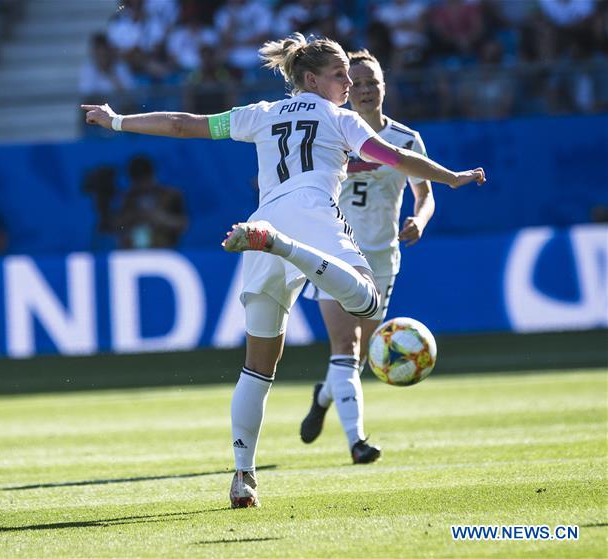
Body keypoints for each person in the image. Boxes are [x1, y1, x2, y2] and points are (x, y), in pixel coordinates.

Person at [81, 32, 485, 508]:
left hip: (261, 221)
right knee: (368, 301)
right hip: (309, 220)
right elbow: (393, 157)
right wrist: (451, 176)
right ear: (312, 79)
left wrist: (117, 119)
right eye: (340, 76)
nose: (348, 85)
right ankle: (285, 248)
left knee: (257, 368)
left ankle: (242, 475)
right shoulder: (339, 118)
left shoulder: (262, 114)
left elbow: (179, 123)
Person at [298, 49, 434, 465]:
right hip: (334, 251)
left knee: (357, 357)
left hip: (381, 259)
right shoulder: (331, 133)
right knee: (346, 342)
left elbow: (424, 193)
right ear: (346, 89)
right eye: (358, 83)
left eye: (374, 81)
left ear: (384, 86)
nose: (367, 90)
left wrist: (420, 220)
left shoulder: (405, 140)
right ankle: (357, 442)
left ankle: (323, 398)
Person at [116, 155, 188, 249]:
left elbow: (183, 225)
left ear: (152, 176)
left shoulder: (171, 195)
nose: (142, 186)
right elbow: (118, 227)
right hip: (133, 254)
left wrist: (162, 219)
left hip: (165, 252)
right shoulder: (126, 199)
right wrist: (131, 219)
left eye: (145, 180)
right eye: (138, 182)